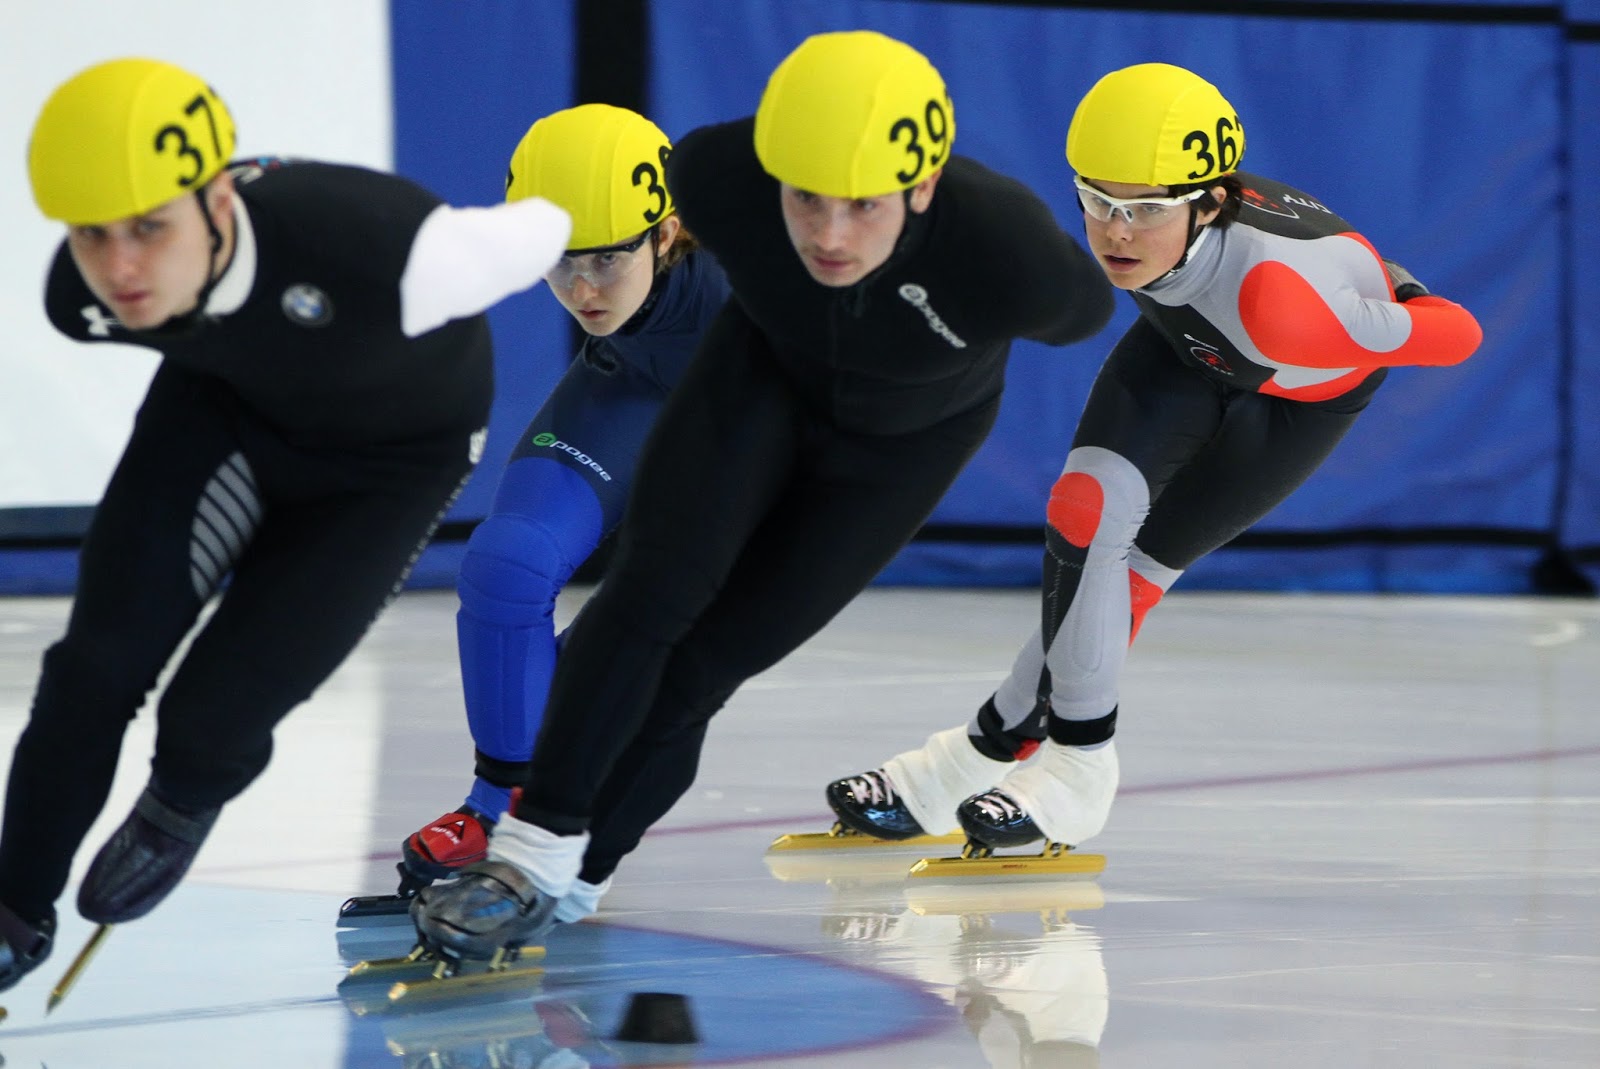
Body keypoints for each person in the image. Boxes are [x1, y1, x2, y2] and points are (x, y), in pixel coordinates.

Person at [409, 29, 1114, 961]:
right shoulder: (715, 177)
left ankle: (582, 873)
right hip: (765, 381)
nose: (827, 234)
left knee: (700, 666)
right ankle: (528, 853)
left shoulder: (1011, 254)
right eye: (804, 197)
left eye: (861, 205)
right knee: (644, 600)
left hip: (896, 448)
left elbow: (1096, 309)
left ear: (923, 187)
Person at [0, 57, 572, 991]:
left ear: (220, 200)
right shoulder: (84, 298)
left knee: (211, 720)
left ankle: (185, 796)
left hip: (388, 468)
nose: (122, 267)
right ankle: (12, 907)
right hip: (229, 414)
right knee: (93, 668)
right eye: (93, 235)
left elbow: (545, 224)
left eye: (150, 226)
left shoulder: (394, 250)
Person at [825, 62, 1484, 855]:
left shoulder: (1284, 303)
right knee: (1084, 514)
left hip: (1296, 387)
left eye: (1143, 210)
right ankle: (994, 758)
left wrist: (1399, 296)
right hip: (1188, 344)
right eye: (1096, 201)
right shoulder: (1158, 222)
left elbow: (1459, 333)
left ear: (1209, 203)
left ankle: (1033, 764)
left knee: (1133, 573)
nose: (1115, 231)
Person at [390, 104, 728, 913]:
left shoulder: (758, 272)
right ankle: (499, 803)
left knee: (654, 633)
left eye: (606, 260)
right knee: (506, 565)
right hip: (635, 387)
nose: (580, 288)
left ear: (666, 231)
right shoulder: (606, 281)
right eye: (558, 261)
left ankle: (570, 836)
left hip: (760, 425)